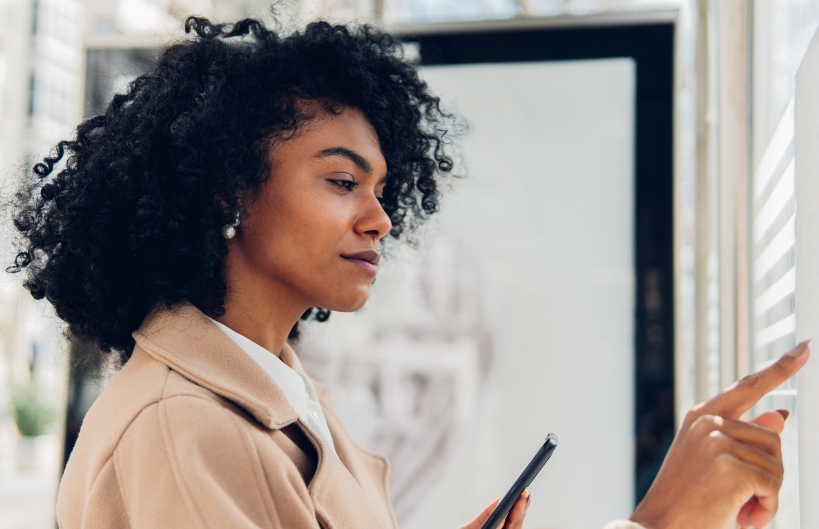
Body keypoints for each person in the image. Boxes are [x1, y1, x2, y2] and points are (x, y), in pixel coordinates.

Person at [8, 16, 809, 529]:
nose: (379, 216)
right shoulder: (181, 430)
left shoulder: (277, 392)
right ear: (229, 189)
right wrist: (660, 523)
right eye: (340, 180)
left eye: (382, 188)